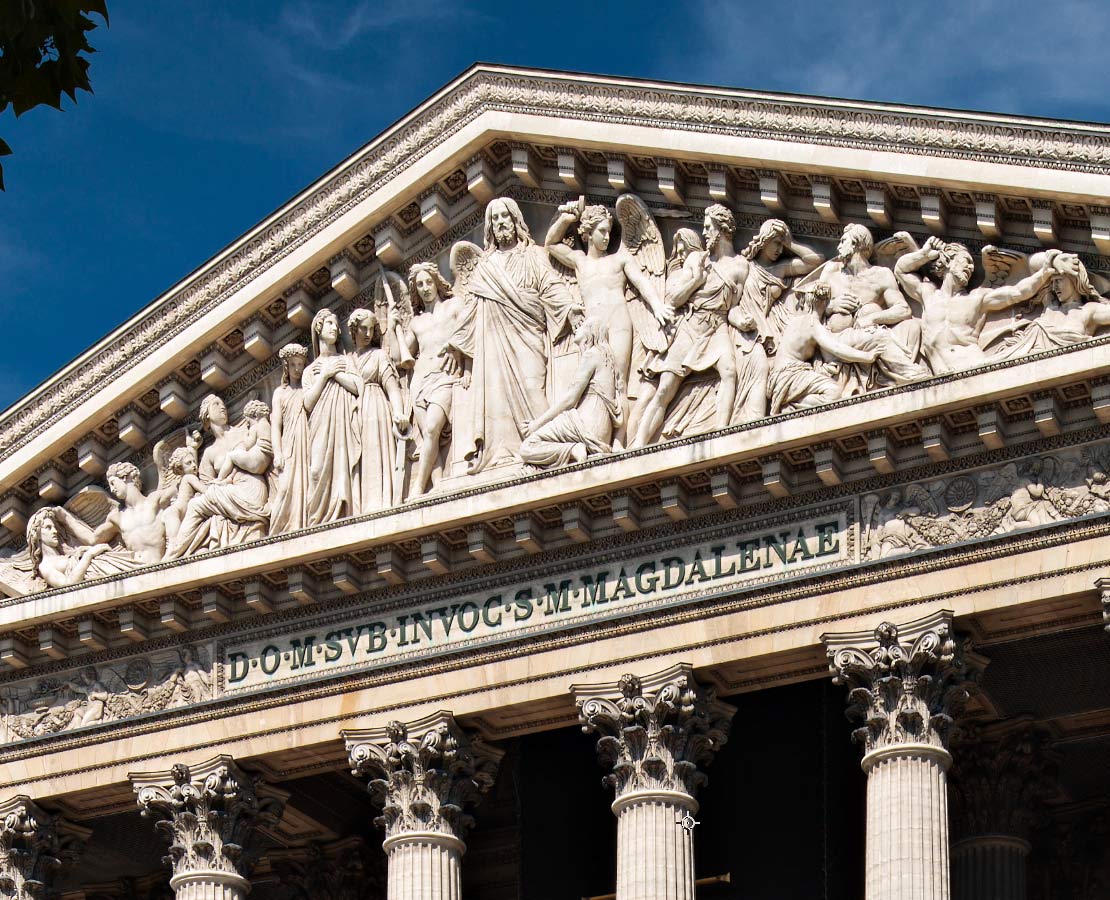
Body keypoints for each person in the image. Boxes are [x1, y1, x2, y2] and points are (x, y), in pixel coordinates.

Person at [448, 197, 577, 472]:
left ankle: (543, 447)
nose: (500, 223)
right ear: (489, 227)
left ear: (516, 219)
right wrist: (457, 343)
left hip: (528, 335)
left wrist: (570, 310)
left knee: (533, 390)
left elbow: (550, 286)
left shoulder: (532, 255)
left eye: (505, 216)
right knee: (495, 399)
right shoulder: (486, 266)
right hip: (492, 344)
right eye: (494, 219)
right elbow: (471, 307)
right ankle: (501, 455)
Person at [631, 204, 749, 446]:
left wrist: (743, 321)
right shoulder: (697, 259)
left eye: (708, 227)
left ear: (722, 229)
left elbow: (734, 307)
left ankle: (721, 432)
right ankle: (639, 443)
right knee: (665, 389)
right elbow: (673, 299)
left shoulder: (740, 267)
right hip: (691, 326)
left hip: (717, 327)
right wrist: (697, 279)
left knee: (729, 371)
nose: (704, 232)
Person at [544, 201, 673, 404]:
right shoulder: (580, 261)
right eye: (602, 231)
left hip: (618, 321)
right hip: (592, 325)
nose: (607, 237)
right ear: (587, 232)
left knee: (619, 381)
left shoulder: (619, 259)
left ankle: (620, 437)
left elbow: (641, 282)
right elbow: (551, 243)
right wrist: (568, 217)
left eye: (609, 231)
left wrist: (657, 305)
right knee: (593, 381)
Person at [895, 238, 1057, 373]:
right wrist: (924, 254)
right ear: (947, 260)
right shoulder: (928, 294)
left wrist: (1044, 273)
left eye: (973, 265)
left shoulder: (976, 299)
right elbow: (901, 270)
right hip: (940, 377)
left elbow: (1017, 292)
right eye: (966, 261)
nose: (971, 268)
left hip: (971, 367)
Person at [807, 224, 928, 390]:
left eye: (843, 241)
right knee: (881, 337)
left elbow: (904, 309)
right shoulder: (831, 271)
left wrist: (872, 318)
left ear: (856, 243)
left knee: (909, 324)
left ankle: (903, 377)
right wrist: (830, 306)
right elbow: (810, 308)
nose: (838, 246)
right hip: (833, 341)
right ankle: (913, 376)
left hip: (866, 334)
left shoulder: (881, 275)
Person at [163, 396, 272, 558]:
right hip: (229, 495)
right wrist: (193, 450)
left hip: (251, 489)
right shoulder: (208, 453)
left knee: (195, 506)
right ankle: (177, 552)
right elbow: (201, 485)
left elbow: (261, 457)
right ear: (206, 415)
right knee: (198, 502)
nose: (222, 407)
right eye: (216, 404)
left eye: (223, 403)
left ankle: (174, 554)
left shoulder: (244, 432)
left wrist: (220, 483)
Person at [519, 317, 624, 468]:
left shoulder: (591, 355)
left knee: (527, 447)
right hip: (603, 433)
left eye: (582, 326)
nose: (576, 329)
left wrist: (536, 424)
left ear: (590, 332)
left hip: (584, 425)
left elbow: (570, 398)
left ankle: (572, 449)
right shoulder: (608, 358)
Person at [404, 263, 468, 495]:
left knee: (432, 430)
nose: (425, 288)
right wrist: (391, 328)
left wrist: (457, 348)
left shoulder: (454, 306)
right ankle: (439, 486)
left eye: (428, 282)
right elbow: (398, 355)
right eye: (419, 284)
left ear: (437, 282)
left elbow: (472, 326)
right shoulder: (416, 322)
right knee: (428, 440)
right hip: (419, 383)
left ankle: (418, 487)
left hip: (444, 375)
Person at [768, 285, 879, 414]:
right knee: (834, 392)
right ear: (825, 303)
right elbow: (836, 348)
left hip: (779, 376)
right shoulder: (813, 324)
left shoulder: (794, 321)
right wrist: (866, 356)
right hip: (791, 375)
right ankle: (792, 405)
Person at [303, 309, 362, 524]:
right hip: (320, 424)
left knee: (344, 466)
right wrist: (325, 374)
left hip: (343, 423)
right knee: (316, 470)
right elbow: (308, 402)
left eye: (336, 325)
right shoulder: (310, 370)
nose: (335, 328)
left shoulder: (346, 361)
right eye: (329, 323)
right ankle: (316, 520)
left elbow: (357, 386)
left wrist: (334, 373)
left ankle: (345, 510)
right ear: (318, 327)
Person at [348, 308, 409, 512]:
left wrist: (398, 413)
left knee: (375, 453)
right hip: (353, 416)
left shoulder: (379, 355)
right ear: (353, 330)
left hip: (375, 408)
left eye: (371, 329)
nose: (367, 334)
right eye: (363, 329)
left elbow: (392, 386)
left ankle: (379, 502)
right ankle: (359, 506)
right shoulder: (346, 360)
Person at [25, 507, 141, 588]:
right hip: (101, 574)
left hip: (105, 564)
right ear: (37, 535)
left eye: (54, 527)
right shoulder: (45, 566)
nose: (55, 531)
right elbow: (68, 585)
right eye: (48, 528)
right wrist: (89, 555)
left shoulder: (65, 554)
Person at [268, 343, 311, 534]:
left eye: (301, 364)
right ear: (286, 366)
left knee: (308, 483)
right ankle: (279, 529)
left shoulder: (308, 388)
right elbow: (276, 426)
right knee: (285, 488)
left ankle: (304, 522)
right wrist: (277, 452)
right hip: (289, 444)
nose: (297, 369)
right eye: (293, 364)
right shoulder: (280, 393)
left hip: (308, 439)